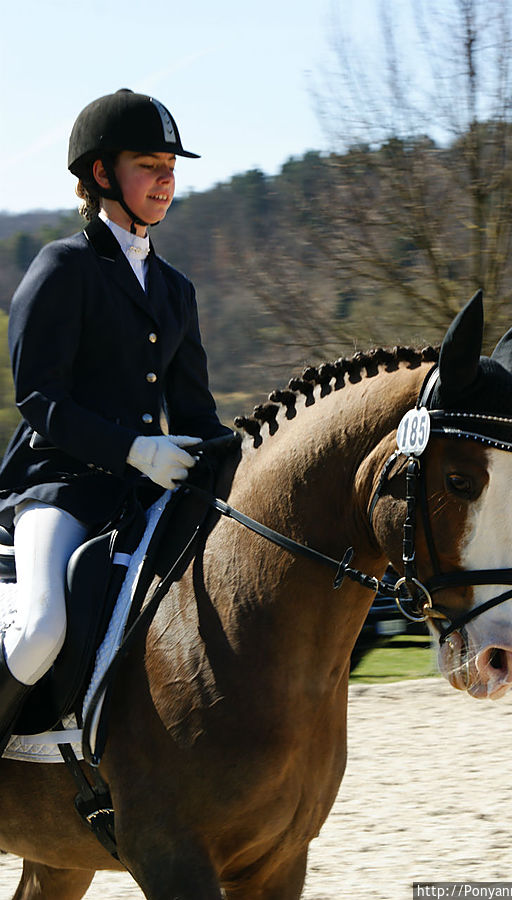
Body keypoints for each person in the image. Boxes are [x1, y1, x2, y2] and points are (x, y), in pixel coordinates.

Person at [0, 88, 232, 750]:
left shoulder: (174, 288)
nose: (166, 179)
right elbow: (39, 399)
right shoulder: (62, 267)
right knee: (42, 626)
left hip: (141, 491)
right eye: (148, 165)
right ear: (102, 175)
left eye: (171, 166)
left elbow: (195, 412)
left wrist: (242, 458)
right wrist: (132, 449)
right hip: (60, 485)